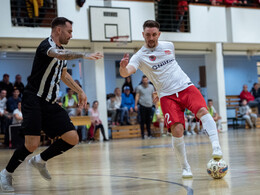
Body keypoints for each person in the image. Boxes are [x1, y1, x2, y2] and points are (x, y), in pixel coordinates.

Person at [0, 17, 103, 192]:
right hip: (33, 99)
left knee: (72, 137)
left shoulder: (61, 51)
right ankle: (6, 173)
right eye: (69, 31)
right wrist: (84, 55)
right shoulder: (45, 47)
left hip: (50, 102)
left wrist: (80, 90)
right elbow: (58, 54)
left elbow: (63, 75)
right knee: (31, 144)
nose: (71, 35)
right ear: (58, 30)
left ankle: (40, 160)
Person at [119, 20, 223, 178]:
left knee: (203, 111)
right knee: (177, 130)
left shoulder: (169, 46)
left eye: (154, 34)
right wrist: (122, 67)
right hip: (167, 96)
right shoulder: (139, 56)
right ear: (143, 35)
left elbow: (166, 71)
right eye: (148, 35)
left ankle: (216, 147)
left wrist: (156, 86)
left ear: (159, 34)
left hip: (186, 87)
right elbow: (126, 72)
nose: (151, 38)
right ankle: (185, 167)